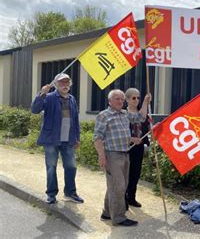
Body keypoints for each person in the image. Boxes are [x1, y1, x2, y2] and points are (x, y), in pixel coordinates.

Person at [94, 89, 151, 226]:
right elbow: (97, 137)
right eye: (117, 99)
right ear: (110, 101)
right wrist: (101, 155)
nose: (120, 101)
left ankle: (107, 213)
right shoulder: (104, 115)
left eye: (121, 99)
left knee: (118, 185)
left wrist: (145, 102)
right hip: (112, 155)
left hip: (125, 154)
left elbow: (141, 118)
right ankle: (119, 218)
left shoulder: (124, 114)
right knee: (118, 186)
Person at [31, 73, 84, 204]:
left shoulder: (72, 99)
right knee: (51, 167)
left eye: (67, 82)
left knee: (71, 166)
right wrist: (42, 93)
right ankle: (51, 194)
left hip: (68, 139)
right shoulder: (49, 97)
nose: (65, 85)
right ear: (56, 84)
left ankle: (70, 193)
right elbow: (34, 109)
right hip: (51, 139)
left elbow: (75, 120)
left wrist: (77, 137)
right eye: (61, 82)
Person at [124, 88, 151, 208]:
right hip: (126, 147)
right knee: (126, 174)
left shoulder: (142, 112)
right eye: (133, 98)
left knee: (136, 173)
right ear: (127, 99)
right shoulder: (123, 114)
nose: (136, 100)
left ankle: (132, 198)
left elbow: (146, 123)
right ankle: (123, 199)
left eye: (138, 98)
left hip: (139, 147)